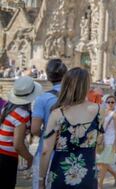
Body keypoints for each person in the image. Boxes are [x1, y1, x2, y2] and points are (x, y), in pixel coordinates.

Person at [39, 67, 104, 189]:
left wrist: (41, 179)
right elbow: (100, 145)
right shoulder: (99, 110)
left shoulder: (57, 113)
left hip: (60, 174)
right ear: (86, 86)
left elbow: (46, 151)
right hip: (87, 173)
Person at [0, 76, 43, 189]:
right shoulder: (22, 114)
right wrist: (30, 158)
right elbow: (18, 144)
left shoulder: (7, 107)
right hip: (6, 158)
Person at [31, 59, 67, 189]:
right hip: (69, 156)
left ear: (48, 76)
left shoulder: (42, 99)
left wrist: (47, 135)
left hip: (46, 153)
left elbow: (34, 129)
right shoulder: (76, 98)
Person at [97, 95, 116, 189]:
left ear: (115, 103)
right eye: (108, 102)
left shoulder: (115, 114)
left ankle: (100, 185)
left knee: (103, 163)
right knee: (100, 163)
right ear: (106, 103)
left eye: (112, 102)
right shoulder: (103, 112)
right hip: (102, 140)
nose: (110, 104)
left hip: (110, 141)